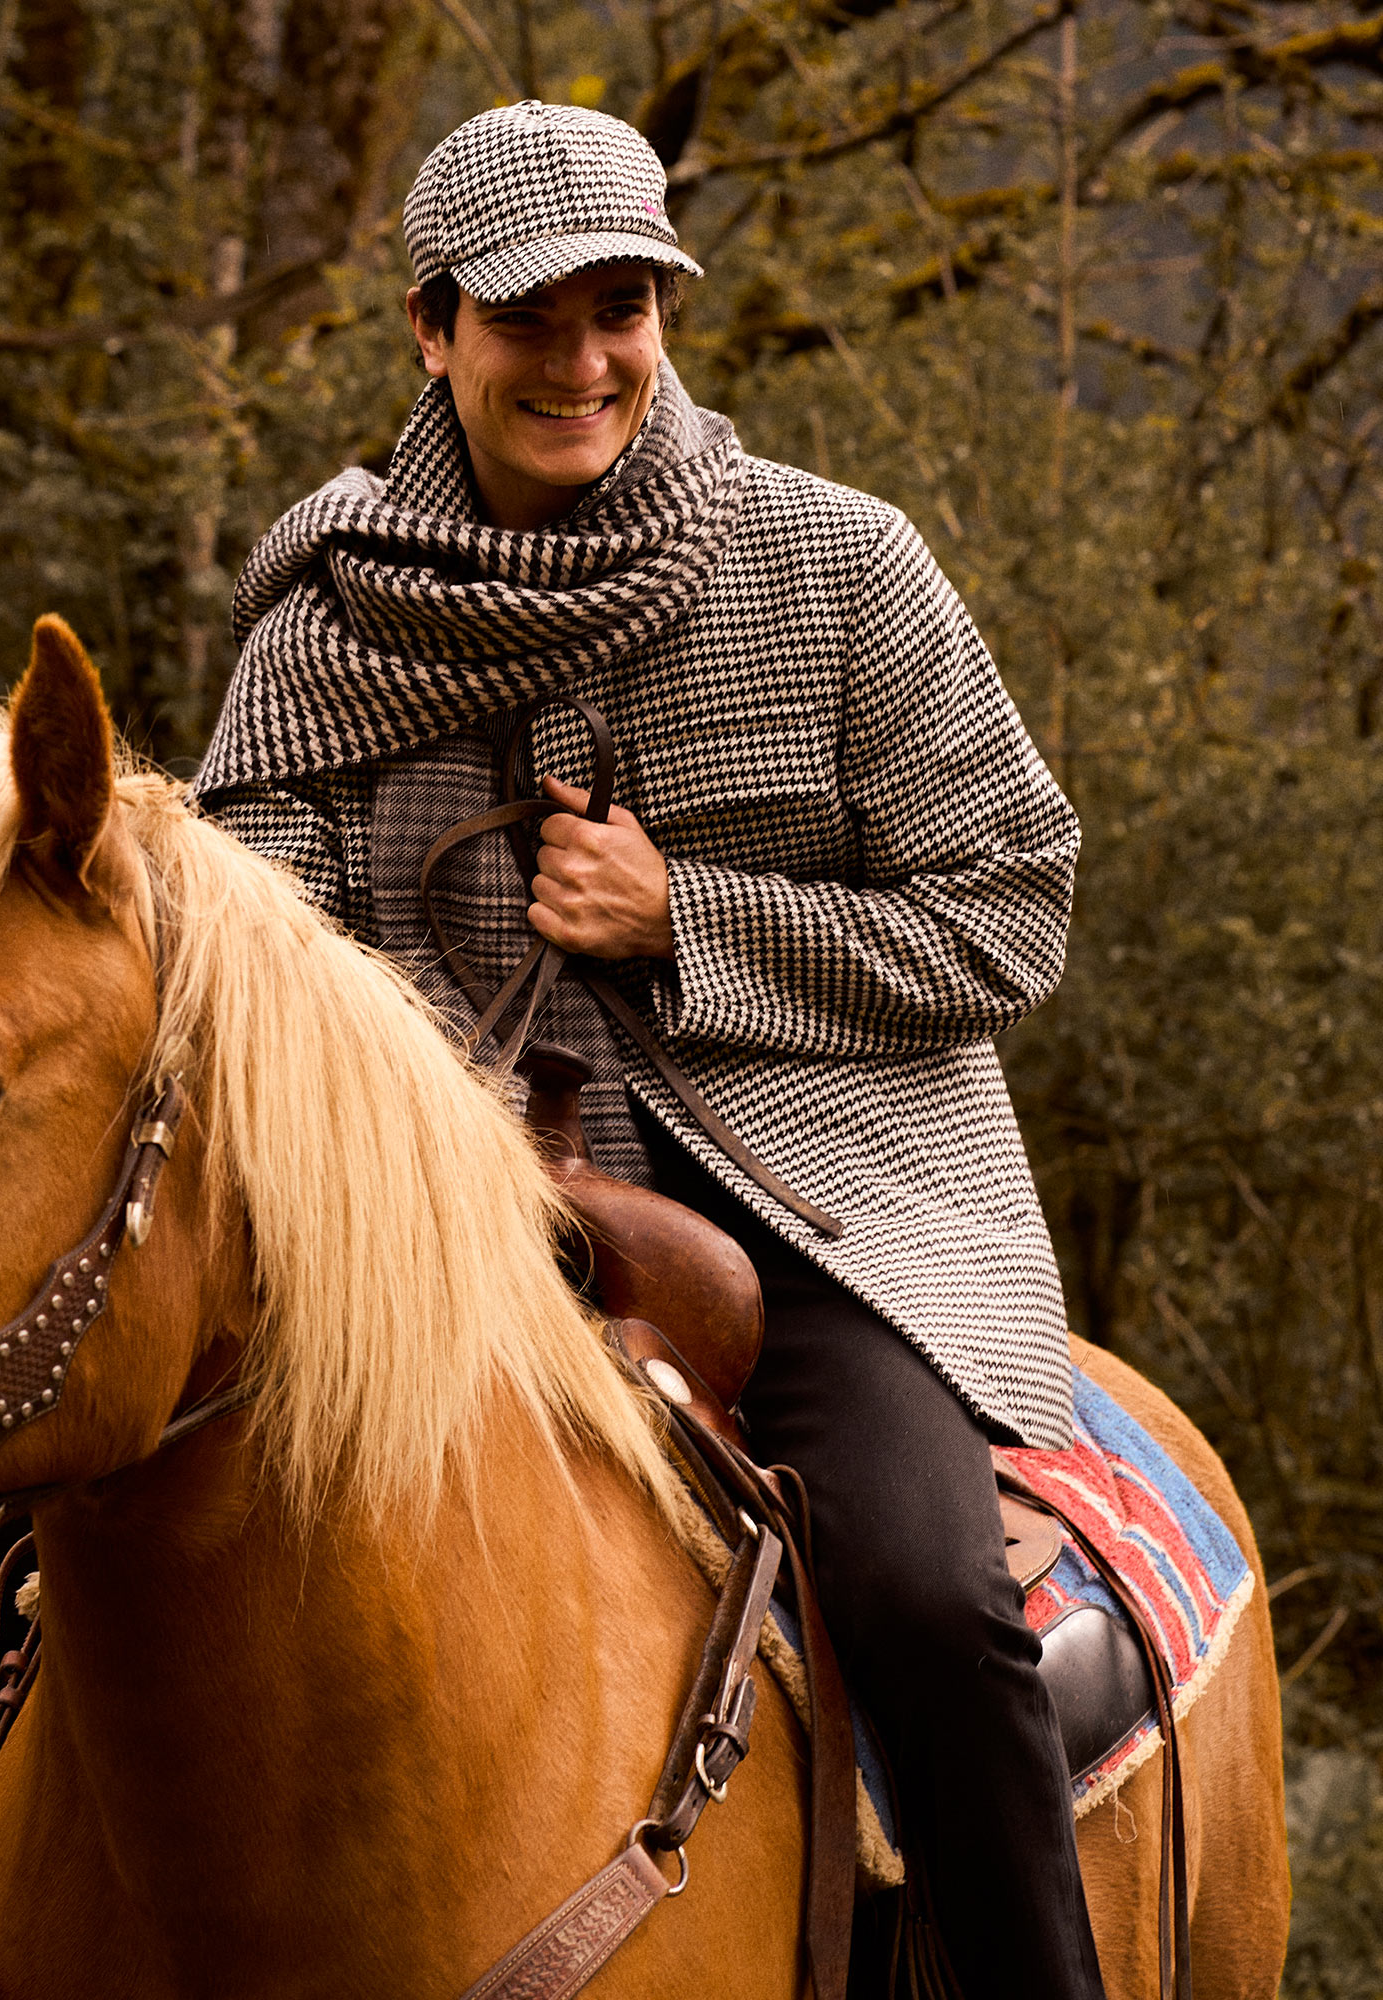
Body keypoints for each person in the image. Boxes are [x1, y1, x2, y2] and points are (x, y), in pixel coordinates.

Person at [193, 100, 1101, 1996]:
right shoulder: (317, 620)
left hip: (819, 1209)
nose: (584, 361)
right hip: (429, 1235)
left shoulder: (838, 565)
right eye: (528, 318)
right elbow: (253, 978)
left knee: (931, 1597)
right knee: (42, 1532)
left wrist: (688, 915)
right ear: (432, 328)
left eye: (621, 310)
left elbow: (1013, 907)